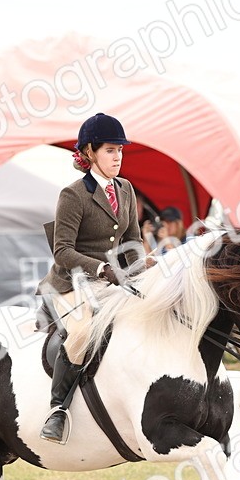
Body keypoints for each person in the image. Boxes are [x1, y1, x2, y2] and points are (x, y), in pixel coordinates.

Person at [37, 112, 146, 443]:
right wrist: (102, 268)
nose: (118, 157)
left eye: (120, 151)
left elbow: (133, 242)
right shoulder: (73, 195)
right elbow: (63, 251)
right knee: (85, 330)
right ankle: (58, 410)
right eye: (111, 150)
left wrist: (140, 271)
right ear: (89, 153)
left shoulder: (125, 189)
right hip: (70, 284)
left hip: (111, 283)